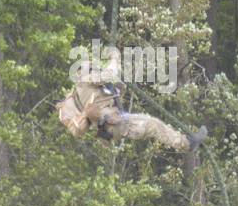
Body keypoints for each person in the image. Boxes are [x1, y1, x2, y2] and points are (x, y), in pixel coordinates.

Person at [56, 59, 206, 152]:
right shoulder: (87, 79)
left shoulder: (78, 93)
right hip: (113, 124)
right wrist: (114, 58)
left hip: (109, 128)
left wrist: (118, 85)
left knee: (151, 124)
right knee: (153, 125)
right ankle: (187, 143)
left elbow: (117, 93)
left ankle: (187, 142)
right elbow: (110, 73)